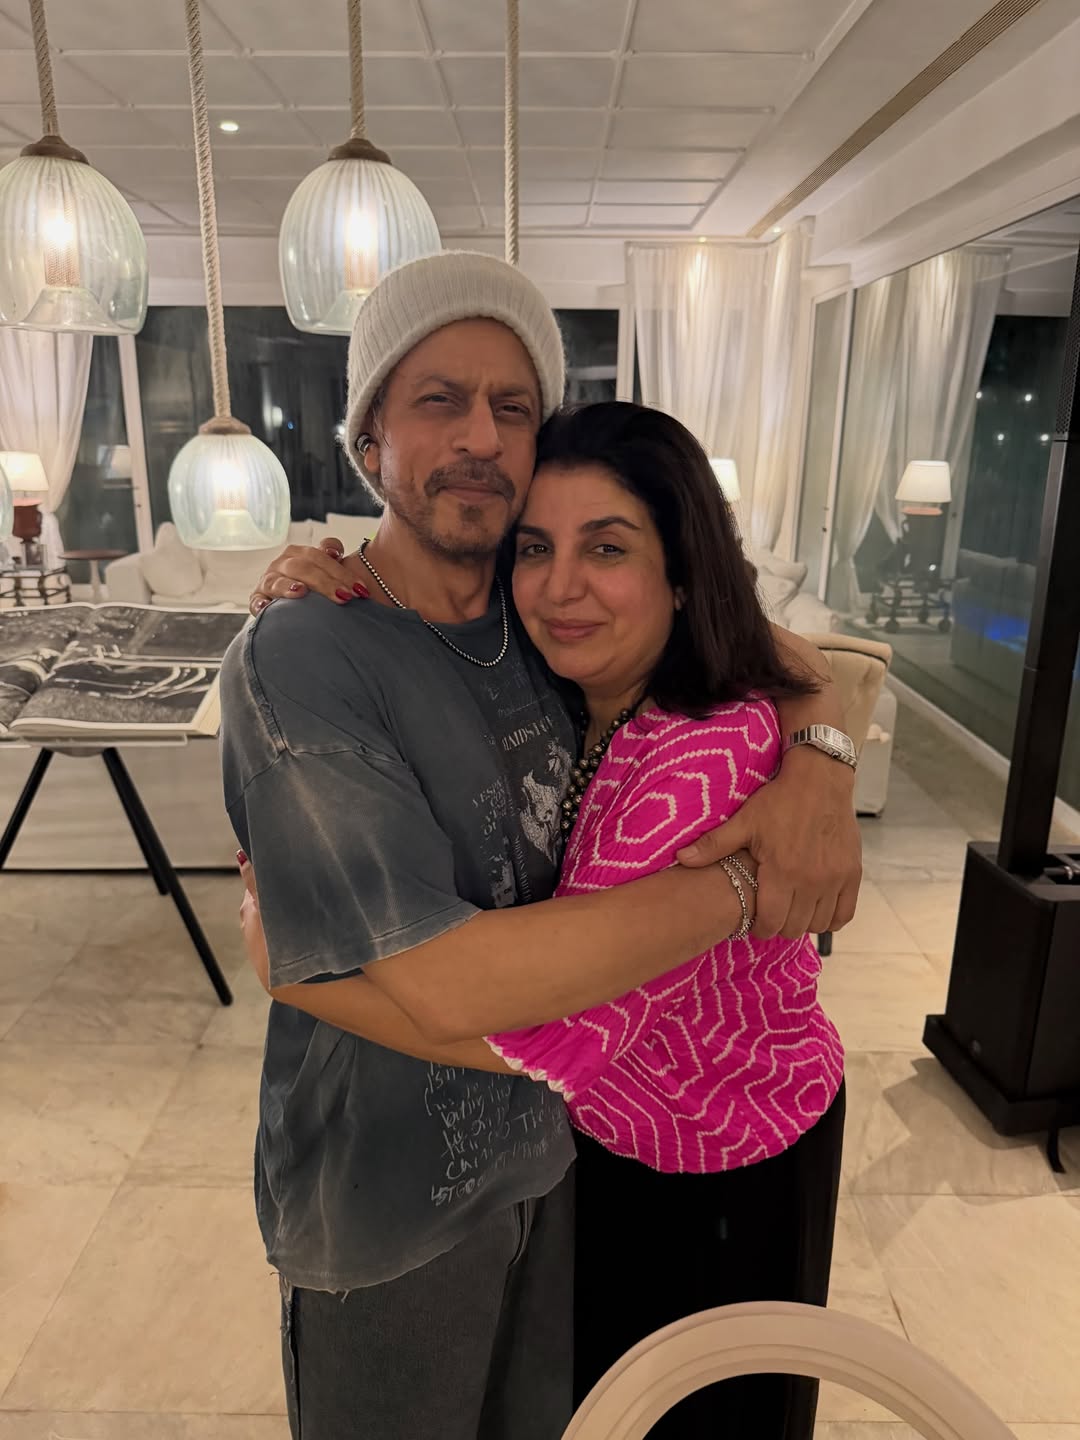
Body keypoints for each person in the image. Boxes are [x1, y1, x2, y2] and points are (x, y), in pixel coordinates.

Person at [222, 250, 861, 1440]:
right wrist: (744, 880)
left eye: (512, 406)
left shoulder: (541, 625)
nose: (480, 435)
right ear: (369, 438)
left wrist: (820, 762)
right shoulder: (314, 651)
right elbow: (446, 982)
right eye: (438, 399)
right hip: (389, 1198)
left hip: (571, 1163)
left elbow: (770, 649)